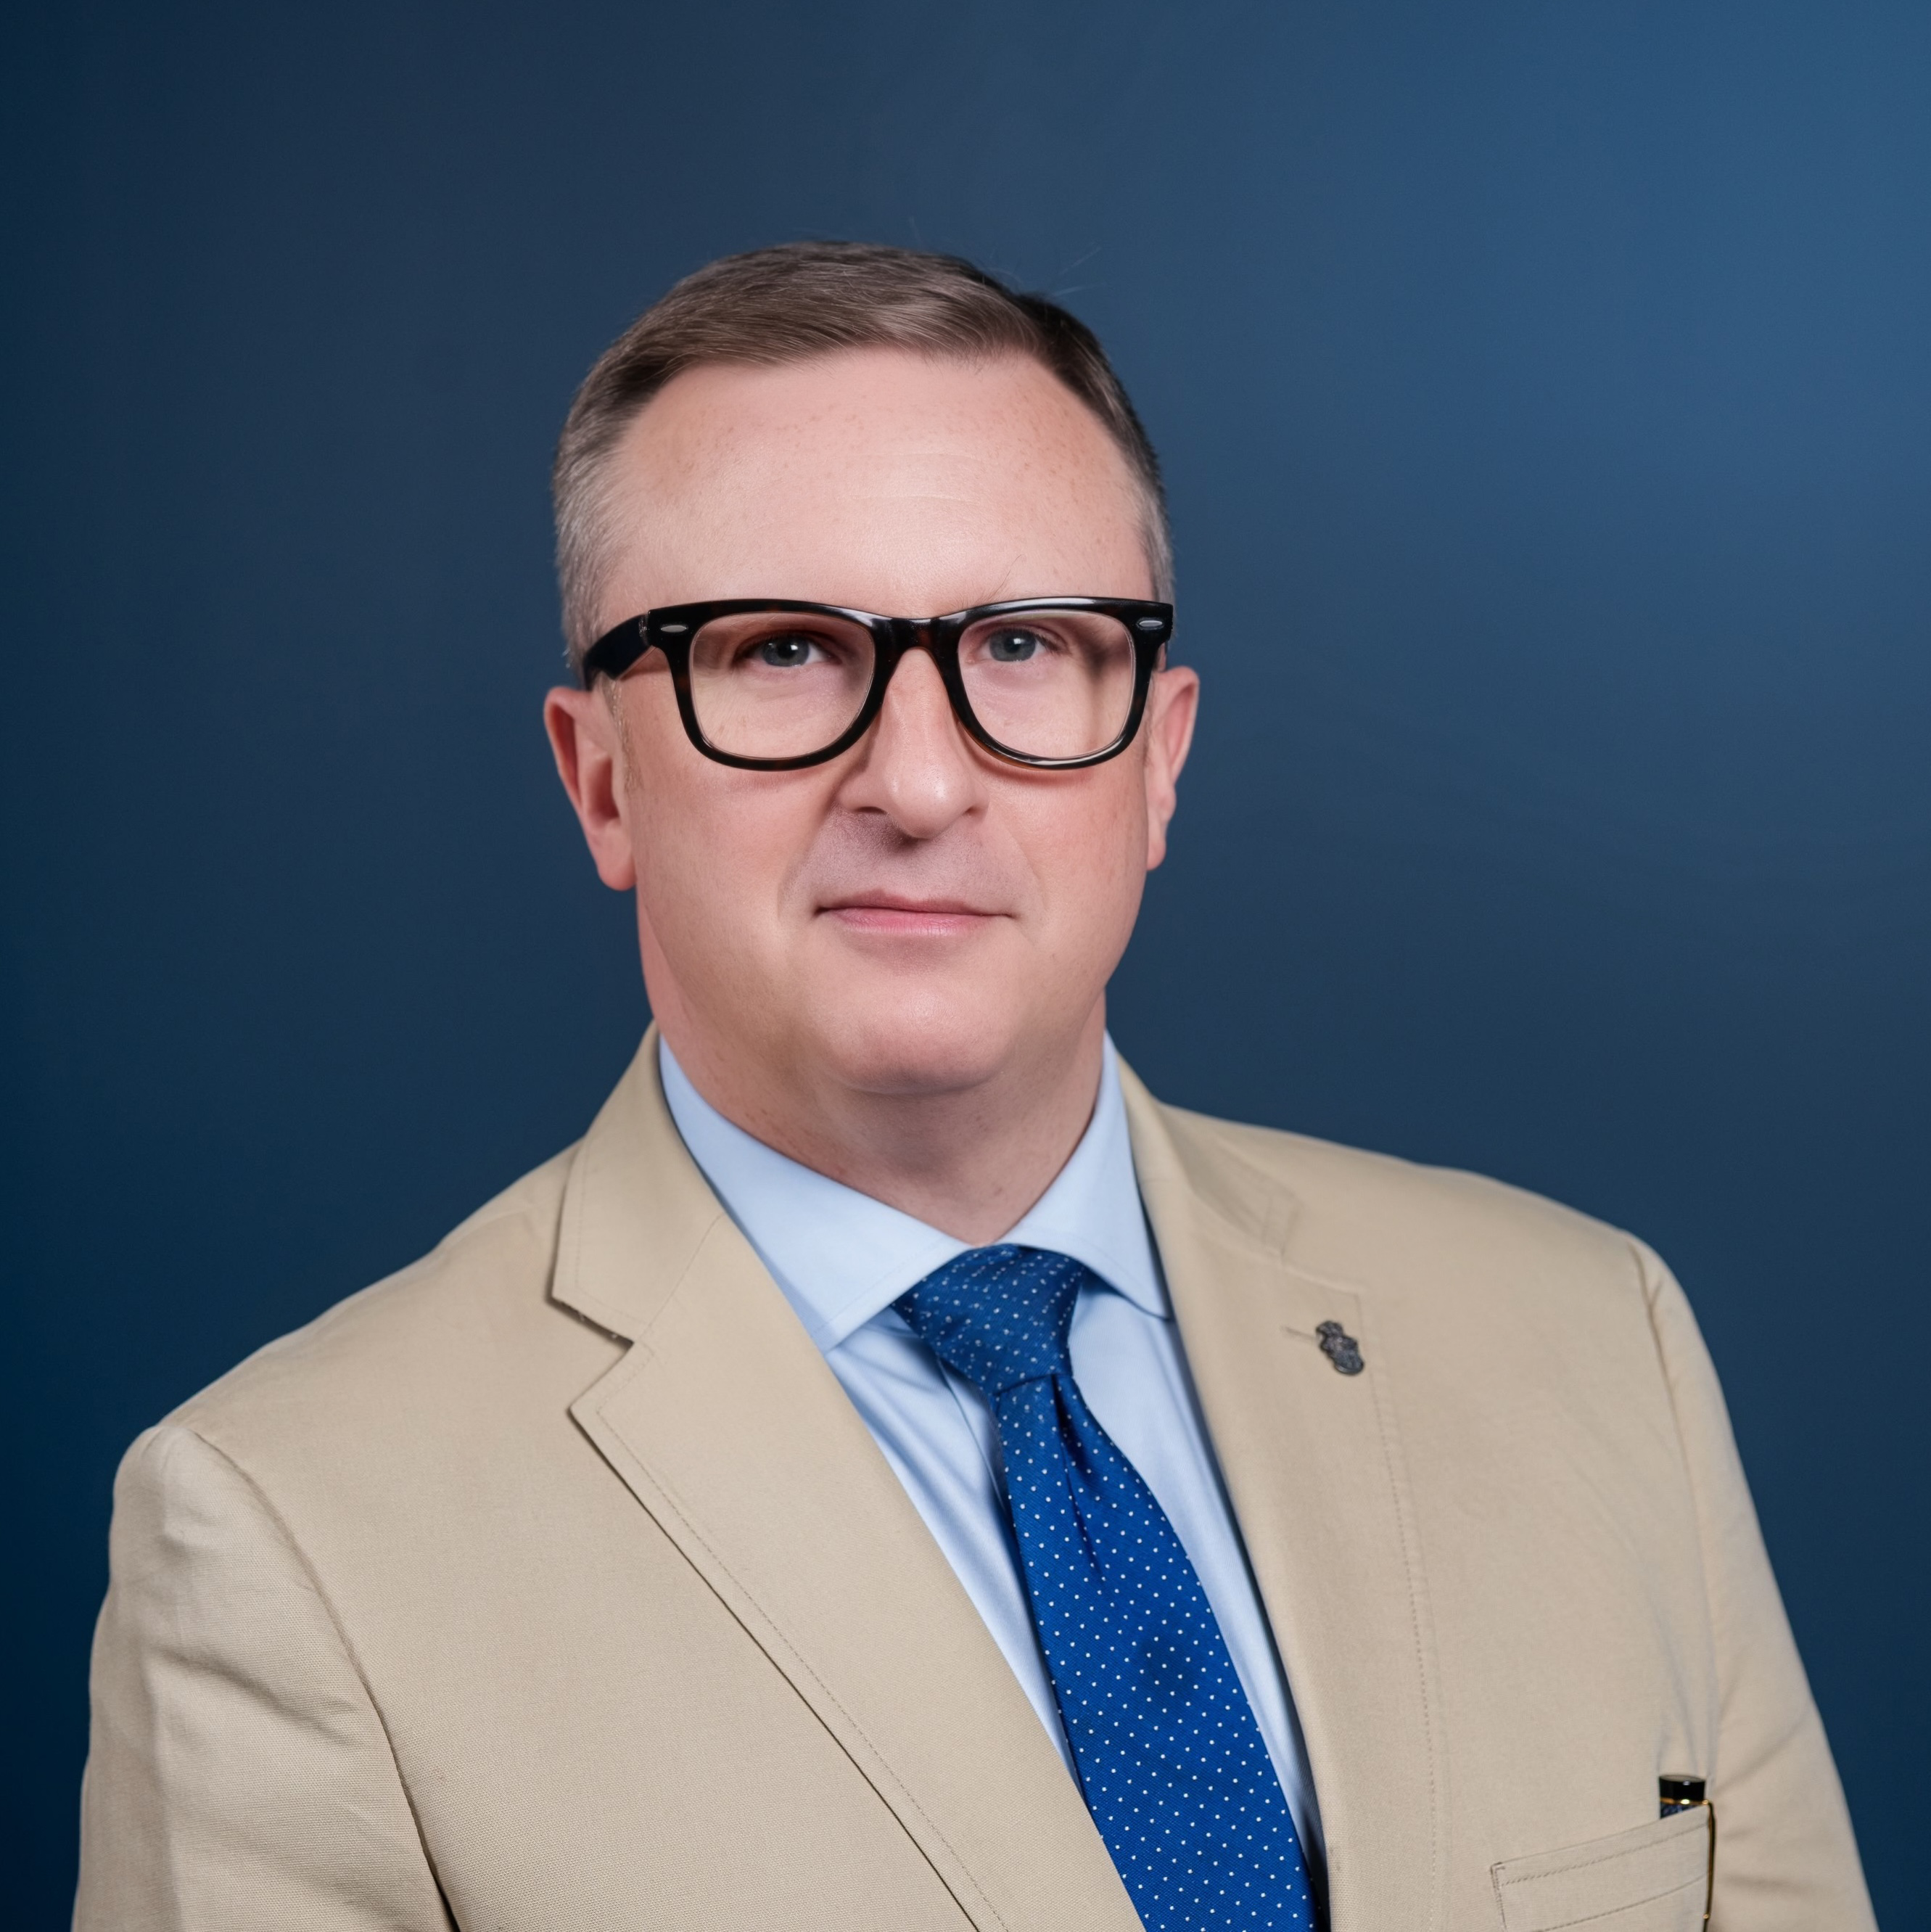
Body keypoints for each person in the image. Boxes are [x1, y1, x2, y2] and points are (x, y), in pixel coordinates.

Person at [75, 242, 1873, 1932]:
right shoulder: (286, 1536)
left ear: (1157, 760)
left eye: (1021, 643)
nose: (919, 782)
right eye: (782, 648)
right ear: (601, 779)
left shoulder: (1592, 1340)